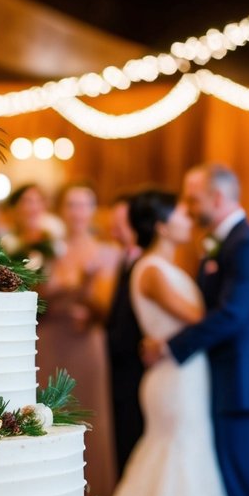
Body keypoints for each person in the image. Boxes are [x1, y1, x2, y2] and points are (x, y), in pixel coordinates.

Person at [141, 163, 249, 496]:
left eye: (192, 198)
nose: (186, 206)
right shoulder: (221, 245)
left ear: (217, 198)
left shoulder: (248, 246)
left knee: (236, 490)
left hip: (242, 385)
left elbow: (233, 316)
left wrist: (170, 346)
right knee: (222, 488)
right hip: (218, 382)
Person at [110, 190, 239, 496]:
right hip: (173, 380)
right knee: (175, 457)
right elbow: (200, 316)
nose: (190, 217)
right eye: (183, 212)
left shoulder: (163, 266)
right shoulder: (151, 270)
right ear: (163, 226)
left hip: (182, 372)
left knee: (184, 455)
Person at [40, 182, 120, 496]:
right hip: (50, 338)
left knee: (90, 415)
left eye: (85, 204)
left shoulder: (107, 251)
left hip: (85, 341)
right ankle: (49, 494)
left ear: (93, 210)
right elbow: (36, 296)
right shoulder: (46, 250)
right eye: (71, 204)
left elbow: (105, 304)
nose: (77, 212)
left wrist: (85, 301)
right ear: (61, 210)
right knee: (50, 413)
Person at [105, 192, 145, 474]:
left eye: (121, 222)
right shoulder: (124, 259)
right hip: (119, 361)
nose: (115, 228)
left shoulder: (145, 263)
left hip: (135, 362)